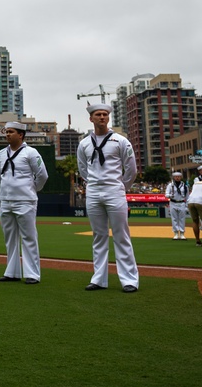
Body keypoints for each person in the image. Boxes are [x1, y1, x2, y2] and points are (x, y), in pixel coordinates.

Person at [77, 103, 140, 293]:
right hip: (94, 191)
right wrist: (93, 183)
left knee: (121, 235)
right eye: (98, 114)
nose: (102, 117)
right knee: (99, 236)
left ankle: (129, 280)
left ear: (109, 118)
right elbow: (82, 168)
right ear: (91, 119)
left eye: (105, 114)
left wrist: (121, 186)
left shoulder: (121, 141)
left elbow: (131, 168)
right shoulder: (84, 143)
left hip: (114, 190)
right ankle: (98, 279)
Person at [0, 121, 48, 284]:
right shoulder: (1, 154)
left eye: (11, 132)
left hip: (25, 200)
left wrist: (31, 189)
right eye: (6, 132)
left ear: (21, 135)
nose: (7, 134)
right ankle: (12, 272)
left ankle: (32, 274)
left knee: (29, 237)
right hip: (5, 199)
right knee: (9, 238)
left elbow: (42, 175)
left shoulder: (31, 153)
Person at [165, 171, 189, 240]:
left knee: (182, 219)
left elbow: (187, 197)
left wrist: (187, 205)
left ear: (181, 177)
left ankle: (182, 233)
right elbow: (166, 194)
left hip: (181, 203)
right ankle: (175, 233)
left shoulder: (185, 186)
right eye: (176, 177)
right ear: (174, 177)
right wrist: (170, 195)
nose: (177, 178)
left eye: (178, 177)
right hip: (173, 202)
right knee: (174, 218)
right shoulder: (170, 185)